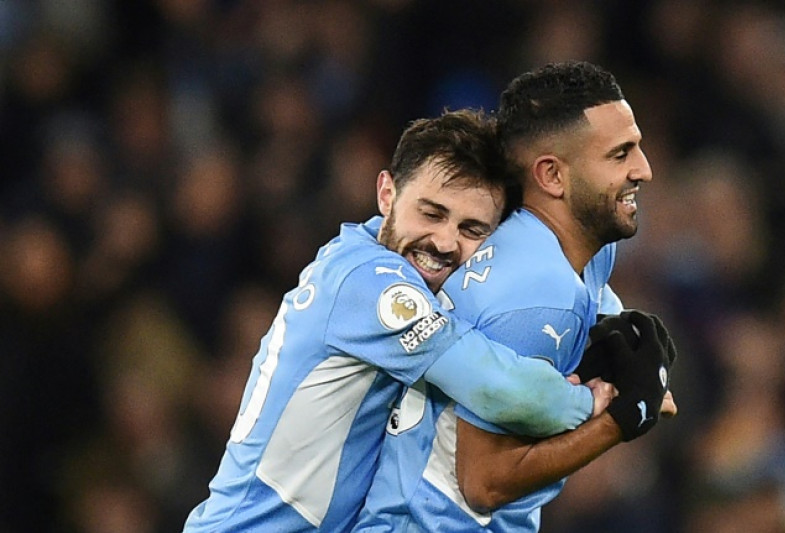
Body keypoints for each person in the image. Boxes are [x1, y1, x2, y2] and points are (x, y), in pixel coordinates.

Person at [181, 108, 621, 533]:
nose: (445, 241)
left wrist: (611, 316)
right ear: (387, 194)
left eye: (472, 229)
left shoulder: (383, 266)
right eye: (432, 213)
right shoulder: (370, 286)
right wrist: (587, 404)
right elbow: (495, 386)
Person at [355, 61, 678, 532]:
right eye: (619, 154)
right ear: (552, 176)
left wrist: (615, 328)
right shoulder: (534, 294)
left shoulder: (584, 246)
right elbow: (482, 483)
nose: (643, 170)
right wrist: (619, 422)